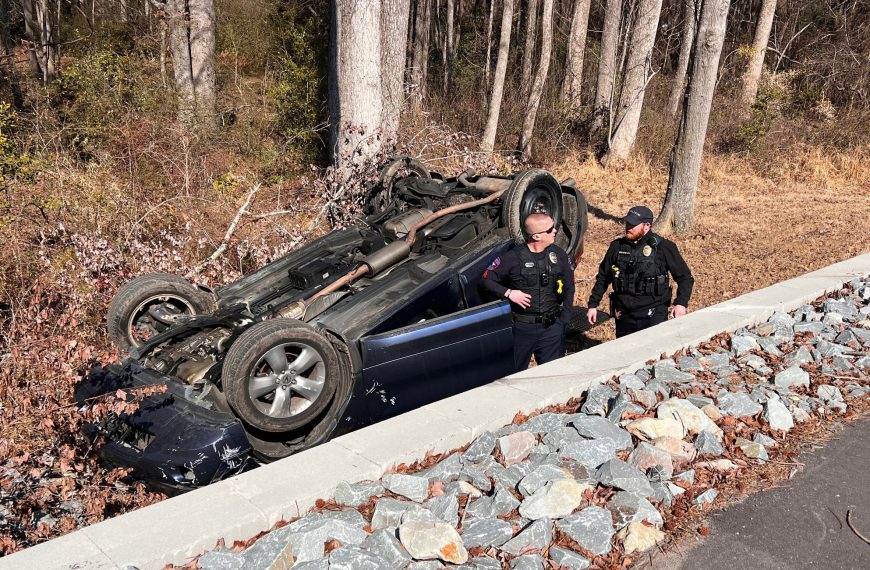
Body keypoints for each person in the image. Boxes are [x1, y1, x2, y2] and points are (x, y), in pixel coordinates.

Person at [481, 213, 576, 371]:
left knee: (552, 374)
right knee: (513, 375)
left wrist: (564, 320)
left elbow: (569, 286)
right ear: (537, 236)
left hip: (552, 328)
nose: (555, 231)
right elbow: (485, 280)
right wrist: (509, 293)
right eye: (550, 229)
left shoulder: (559, 255)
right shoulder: (512, 258)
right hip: (522, 329)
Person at [586, 205, 694, 338]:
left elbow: (685, 277)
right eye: (627, 223)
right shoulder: (617, 247)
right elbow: (603, 276)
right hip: (624, 315)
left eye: (633, 225)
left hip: (653, 314)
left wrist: (681, 303)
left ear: (647, 225)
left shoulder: (663, 247)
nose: (628, 227)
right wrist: (593, 305)